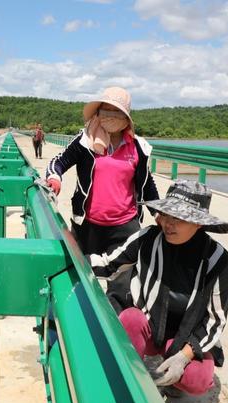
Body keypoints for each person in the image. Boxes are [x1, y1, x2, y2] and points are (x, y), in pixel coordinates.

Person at [89, 180, 228, 396]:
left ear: (199, 223)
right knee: (129, 319)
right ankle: (127, 375)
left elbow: (215, 319)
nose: (168, 224)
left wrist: (184, 355)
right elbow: (109, 264)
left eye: (179, 219)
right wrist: (70, 256)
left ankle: (177, 374)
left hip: (186, 337)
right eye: (166, 215)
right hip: (149, 325)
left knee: (197, 380)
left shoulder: (216, 259)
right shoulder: (148, 239)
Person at [45, 86, 159, 313]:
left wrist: (160, 214)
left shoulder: (138, 147)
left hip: (125, 229)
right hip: (88, 226)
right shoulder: (86, 142)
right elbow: (59, 161)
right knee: (79, 278)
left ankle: (113, 337)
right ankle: (76, 323)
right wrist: (54, 179)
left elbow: (147, 187)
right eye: (104, 111)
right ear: (97, 113)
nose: (109, 117)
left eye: (115, 112)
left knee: (121, 289)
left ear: (126, 118)